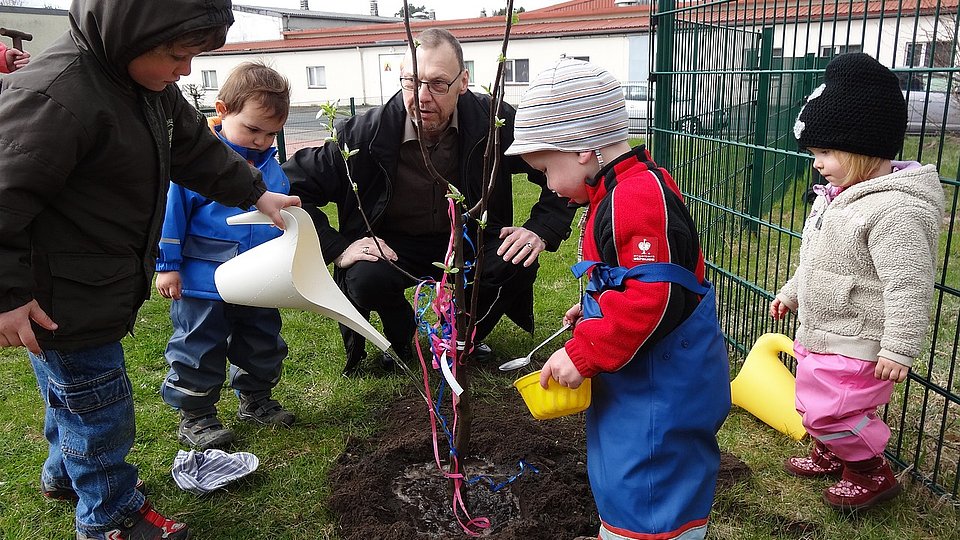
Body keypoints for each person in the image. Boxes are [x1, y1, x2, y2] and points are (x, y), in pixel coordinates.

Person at [0, 1, 300, 539]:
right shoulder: (56, 97)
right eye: (177, 55)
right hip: (60, 297)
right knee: (100, 411)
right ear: (130, 34)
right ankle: (112, 518)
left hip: (89, 282)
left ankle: (64, 474)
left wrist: (257, 192)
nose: (185, 70)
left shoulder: (146, 87)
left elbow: (195, 151)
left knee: (66, 396)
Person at [504, 58, 731, 540]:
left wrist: (585, 349)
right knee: (627, 466)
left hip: (661, 381)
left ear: (583, 149)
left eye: (546, 169)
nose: (546, 184)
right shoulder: (620, 187)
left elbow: (656, 294)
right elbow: (632, 277)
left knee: (651, 480)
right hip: (641, 372)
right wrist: (595, 305)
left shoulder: (635, 197)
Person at [282, 28, 576, 374]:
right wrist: (337, 247)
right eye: (411, 82)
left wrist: (541, 228)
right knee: (363, 276)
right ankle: (401, 334)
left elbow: (561, 168)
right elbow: (286, 188)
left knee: (513, 260)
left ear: (463, 81)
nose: (421, 96)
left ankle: (462, 336)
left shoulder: (494, 124)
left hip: (469, 241)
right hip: (394, 246)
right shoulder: (364, 135)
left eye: (438, 84)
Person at [771, 53, 945, 510]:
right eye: (814, 154)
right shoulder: (837, 197)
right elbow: (818, 260)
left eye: (825, 153)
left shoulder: (896, 211)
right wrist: (793, 292)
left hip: (860, 337)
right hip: (826, 330)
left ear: (864, 147)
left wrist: (898, 347)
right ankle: (832, 451)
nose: (817, 165)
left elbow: (909, 284)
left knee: (835, 410)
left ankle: (871, 471)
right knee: (814, 403)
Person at [155, 62, 295, 451]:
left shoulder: (271, 168)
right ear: (222, 110)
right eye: (253, 129)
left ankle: (256, 399)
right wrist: (168, 266)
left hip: (257, 281)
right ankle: (196, 416)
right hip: (204, 282)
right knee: (199, 346)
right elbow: (170, 215)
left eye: (271, 133)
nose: (262, 141)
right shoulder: (197, 165)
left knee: (262, 340)